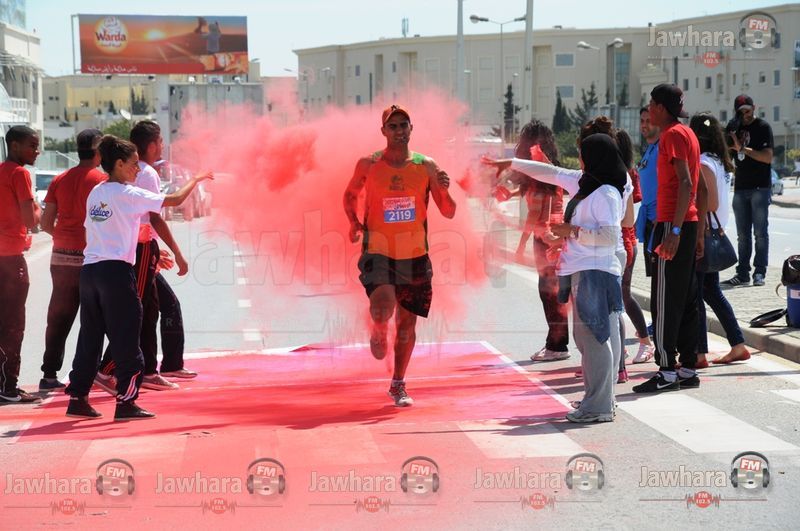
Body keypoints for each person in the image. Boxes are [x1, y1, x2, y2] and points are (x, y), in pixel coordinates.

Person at [483, 130, 628, 423]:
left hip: (595, 272)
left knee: (595, 338)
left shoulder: (606, 193)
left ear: (595, 158)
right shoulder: (586, 183)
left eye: (584, 155)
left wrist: (570, 231)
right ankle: (599, 400)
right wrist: (511, 163)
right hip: (584, 270)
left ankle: (599, 406)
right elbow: (550, 172)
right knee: (589, 339)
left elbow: (610, 237)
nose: (580, 160)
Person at [64, 135, 211, 420]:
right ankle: (126, 401)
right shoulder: (128, 193)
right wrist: (195, 179)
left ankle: (78, 398)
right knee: (127, 337)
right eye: (133, 164)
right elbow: (175, 200)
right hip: (116, 273)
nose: (137, 169)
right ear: (119, 164)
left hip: (91, 271)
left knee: (90, 337)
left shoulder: (97, 193)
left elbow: (99, 228)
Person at [343, 104, 456, 407]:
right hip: (378, 250)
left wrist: (444, 191)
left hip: (415, 255)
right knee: (383, 306)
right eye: (392, 126)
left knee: (407, 325)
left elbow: (448, 211)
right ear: (383, 131)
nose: (399, 131)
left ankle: (398, 383)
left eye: (403, 125)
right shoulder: (369, 164)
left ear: (411, 129)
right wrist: (353, 222)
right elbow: (350, 194)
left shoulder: (426, 166)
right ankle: (379, 327)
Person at [95, 120, 197, 394]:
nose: (135, 171)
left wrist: (154, 248)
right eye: (161, 141)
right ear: (151, 145)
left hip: (136, 248)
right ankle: (107, 369)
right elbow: (157, 214)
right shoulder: (146, 174)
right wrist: (172, 251)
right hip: (138, 249)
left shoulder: (103, 188)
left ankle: (148, 370)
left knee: (149, 310)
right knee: (137, 311)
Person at [633, 84, 704, 394]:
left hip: (672, 224)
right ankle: (687, 368)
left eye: (651, 104)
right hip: (687, 223)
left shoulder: (672, 135)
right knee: (686, 300)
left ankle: (666, 370)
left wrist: (674, 232)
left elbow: (686, 184)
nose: (648, 109)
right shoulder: (688, 133)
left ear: (661, 108)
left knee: (664, 301)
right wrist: (695, 231)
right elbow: (698, 188)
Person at [38, 129, 106, 391]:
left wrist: (64, 238)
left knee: (59, 317)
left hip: (61, 257)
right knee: (95, 318)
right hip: (90, 259)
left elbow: (45, 223)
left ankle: (49, 374)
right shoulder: (102, 181)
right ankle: (89, 372)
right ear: (99, 151)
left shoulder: (60, 179)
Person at [689, 113, 750, 366]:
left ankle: (699, 353)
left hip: (704, 233)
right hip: (716, 230)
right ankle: (737, 344)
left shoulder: (704, 162)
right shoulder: (720, 161)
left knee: (697, 294)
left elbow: (711, 202)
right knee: (711, 292)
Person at [511, 120, 570, 363]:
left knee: (550, 292)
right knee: (553, 291)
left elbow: (535, 214)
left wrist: (520, 245)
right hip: (554, 236)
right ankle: (557, 343)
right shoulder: (549, 170)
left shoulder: (540, 175)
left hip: (547, 238)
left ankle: (557, 345)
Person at [0, 126, 42, 404]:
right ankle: (8, 387)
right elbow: (31, 220)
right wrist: (38, 207)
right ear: (14, 145)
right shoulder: (19, 174)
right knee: (13, 325)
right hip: (11, 259)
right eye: (32, 145)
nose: (37, 151)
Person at [722, 95, 774, 287]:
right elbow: (727, 157)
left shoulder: (763, 127)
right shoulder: (735, 128)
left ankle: (759, 272)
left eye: (748, 110)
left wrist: (742, 149)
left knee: (760, 233)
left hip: (760, 187)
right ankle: (742, 273)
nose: (745, 114)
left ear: (754, 108)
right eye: (741, 111)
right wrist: (726, 140)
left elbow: (767, 157)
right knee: (742, 235)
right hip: (741, 187)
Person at [615, 129, 654, 377]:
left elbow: (632, 206)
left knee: (623, 297)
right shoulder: (619, 171)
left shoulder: (625, 173)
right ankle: (619, 351)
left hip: (625, 241)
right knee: (618, 298)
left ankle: (645, 342)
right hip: (621, 241)